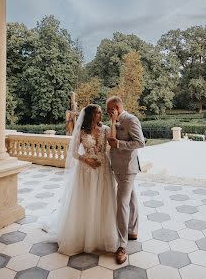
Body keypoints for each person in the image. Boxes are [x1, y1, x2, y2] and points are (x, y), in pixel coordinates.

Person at [43, 104, 118, 255]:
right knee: (86, 199)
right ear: (90, 115)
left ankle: (101, 235)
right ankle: (84, 235)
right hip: (86, 170)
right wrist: (86, 160)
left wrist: (114, 121)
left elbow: (112, 140)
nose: (100, 115)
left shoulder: (105, 129)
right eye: (97, 112)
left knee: (103, 199)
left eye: (100, 112)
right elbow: (73, 153)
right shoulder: (82, 132)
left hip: (103, 169)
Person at [106, 96, 145, 264]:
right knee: (131, 198)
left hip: (128, 168)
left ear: (116, 107)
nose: (107, 112)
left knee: (121, 202)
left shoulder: (130, 120)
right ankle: (132, 230)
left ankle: (122, 245)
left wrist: (119, 144)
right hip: (117, 167)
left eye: (108, 109)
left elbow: (140, 142)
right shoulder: (113, 121)